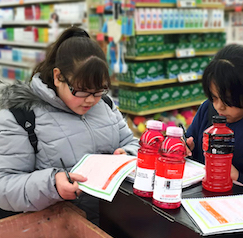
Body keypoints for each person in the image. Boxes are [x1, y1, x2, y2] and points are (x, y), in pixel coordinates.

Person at [0, 27, 140, 225]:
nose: (91, 100)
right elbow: (4, 185)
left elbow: (130, 142)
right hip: (58, 228)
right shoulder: (21, 116)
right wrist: (52, 185)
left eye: (99, 90)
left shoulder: (105, 105)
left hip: (113, 223)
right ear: (58, 77)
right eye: (82, 91)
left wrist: (126, 155)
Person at [185, 44, 243, 191]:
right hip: (201, 198)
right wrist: (183, 147)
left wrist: (241, 177)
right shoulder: (208, 109)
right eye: (214, 97)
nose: (219, 107)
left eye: (229, 100)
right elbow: (190, 142)